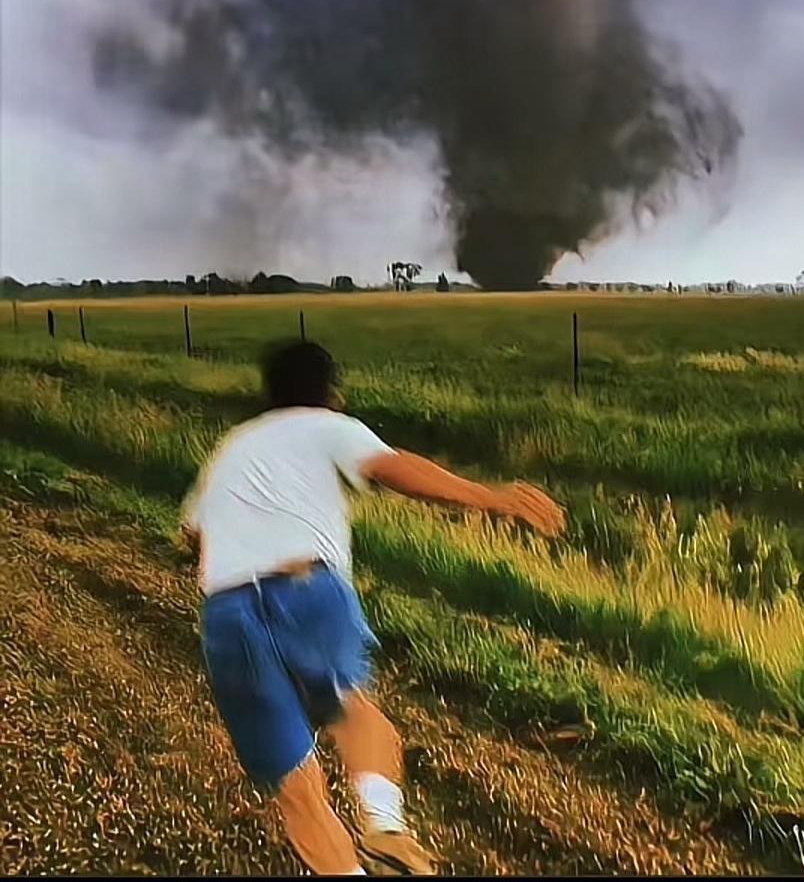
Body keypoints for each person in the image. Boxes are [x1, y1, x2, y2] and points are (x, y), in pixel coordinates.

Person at [180, 340, 566, 876]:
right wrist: (491, 498)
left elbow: (191, 532)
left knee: (297, 794)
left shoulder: (233, 445)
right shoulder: (325, 424)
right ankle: (384, 828)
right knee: (353, 712)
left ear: (268, 393)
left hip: (224, 615)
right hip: (304, 587)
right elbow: (392, 467)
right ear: (330, 392)